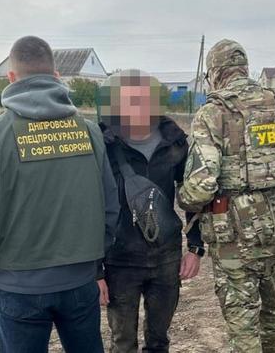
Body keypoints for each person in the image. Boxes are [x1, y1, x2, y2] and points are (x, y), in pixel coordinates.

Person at [0, 36, 120, 353]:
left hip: (18, 287)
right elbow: (110, 207)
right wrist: (94, 262)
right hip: (80, 281)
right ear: (56, 76)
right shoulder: (89, 132)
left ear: (11, 77)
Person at [177, 39, 275, 353]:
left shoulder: (212, 114)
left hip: (233, 239)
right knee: (271, 313)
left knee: (243, 324)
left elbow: (201, 186)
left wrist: (183, 198)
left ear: (215, 72)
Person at [97, 69, 204, 353]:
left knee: (159, 341)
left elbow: (194, 195)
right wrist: (96, 270)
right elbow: (90, 206)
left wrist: (195, 248)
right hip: (119, 261)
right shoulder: (103, 144)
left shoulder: (175, 141)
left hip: (166, 258)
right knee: (122, 343)